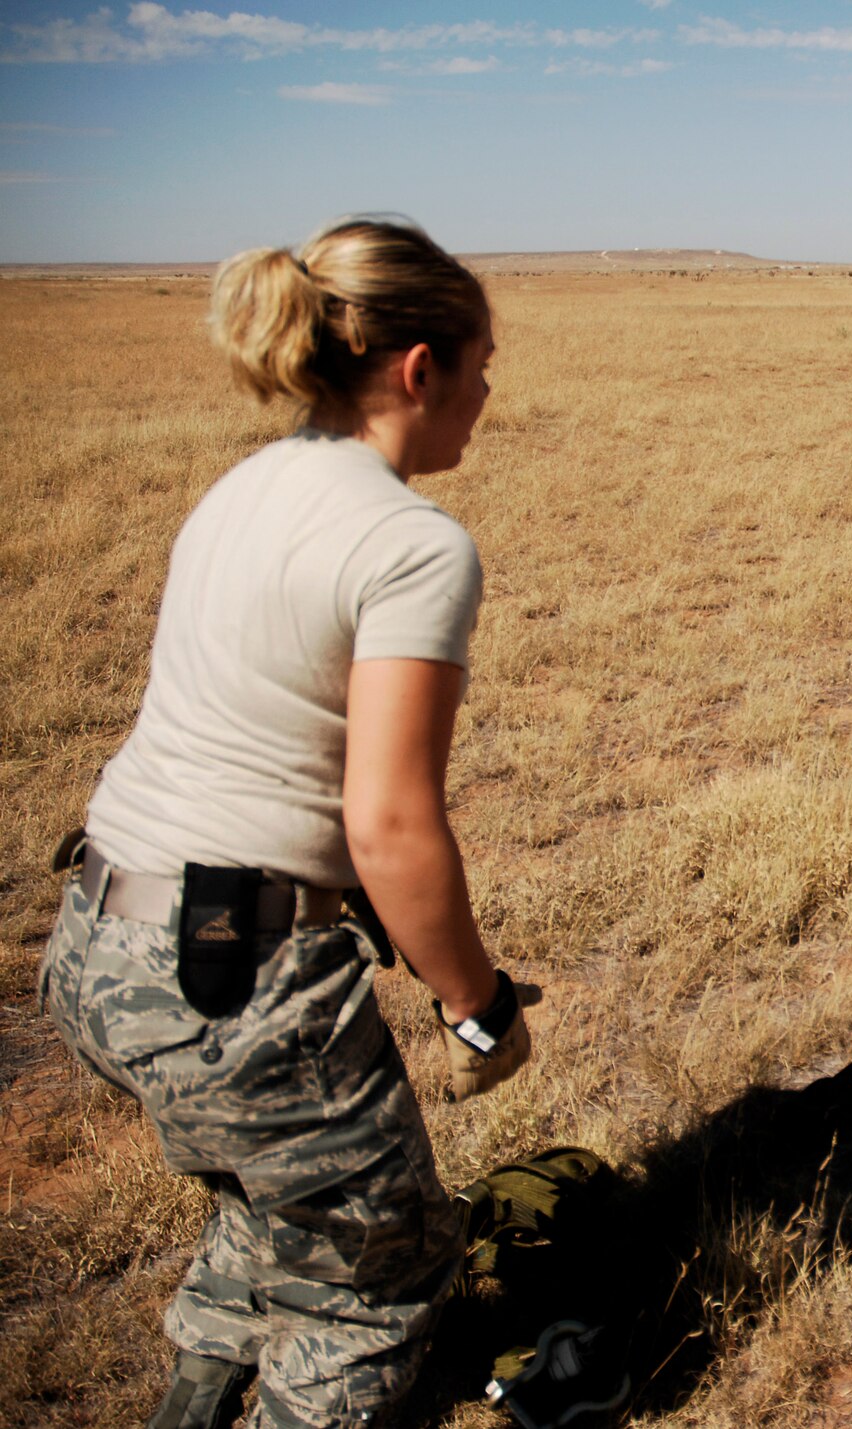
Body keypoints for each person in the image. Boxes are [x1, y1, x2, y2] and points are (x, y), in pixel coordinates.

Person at [38, 216, 532, 1427]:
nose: (487, 388)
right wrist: (478, 1009)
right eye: (479, 361)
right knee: (377, 1278)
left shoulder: (243, 487)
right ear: (418, 368)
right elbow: (391, 823)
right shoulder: (412, 544)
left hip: (99, 944)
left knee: (269, 1199)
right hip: (232, 981)